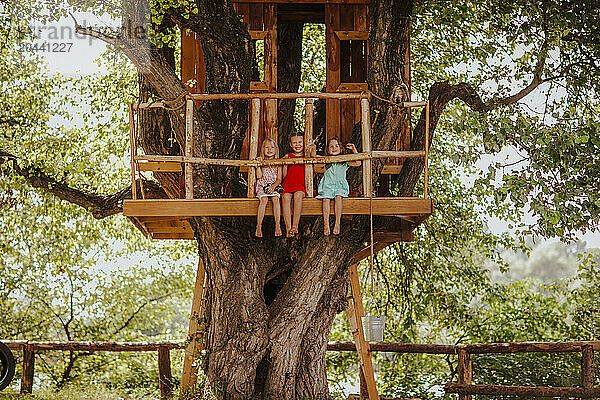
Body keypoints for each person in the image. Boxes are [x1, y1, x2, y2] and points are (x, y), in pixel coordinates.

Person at [316, 137, 360, 235]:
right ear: (327, 149)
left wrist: (354, 150)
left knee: (338, 197)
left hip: (340, 186)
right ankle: (326, 224)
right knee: (325, 199)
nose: (334, 148)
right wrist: (311, 149)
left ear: (341, 148)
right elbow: (314, 158)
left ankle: (337, 223)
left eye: (336, 146)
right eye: (331, 146)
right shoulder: (326, 160)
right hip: (327, 185)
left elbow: (358, 163)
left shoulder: (344, 160)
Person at [281, 133, 312, 237]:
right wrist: (285, 164)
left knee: (298, 196)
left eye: (300, 142)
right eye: (294, 142)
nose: (297, 145)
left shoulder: (307, 156)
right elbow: (285, 176)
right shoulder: (288, 156)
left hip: (301, 185)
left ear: (304, 143)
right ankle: (288, 228)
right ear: (290, 144)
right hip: (288, 184)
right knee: (285, 197)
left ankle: (295, 226)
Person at [254, 138, 282, 237]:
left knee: (276, 199)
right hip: (262, 186)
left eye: (272, 147)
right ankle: (258, 226)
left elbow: (279, 179)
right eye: (266, 147)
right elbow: (258, 176)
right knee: (264, 200)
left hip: (274, 187)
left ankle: (277, 225)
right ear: (263, 149)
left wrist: (273, 187)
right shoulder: (262, 161)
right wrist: (258, 165)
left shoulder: (278, 163)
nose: (269, 149)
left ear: (276, 150)